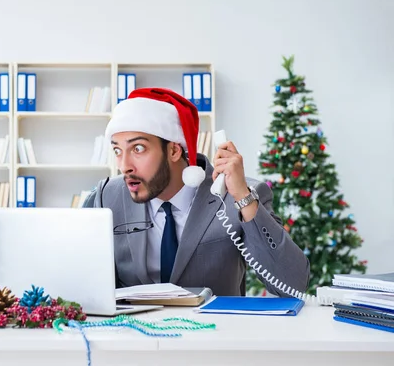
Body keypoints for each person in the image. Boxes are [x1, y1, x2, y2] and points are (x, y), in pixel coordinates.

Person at [83, 87, 310, 297]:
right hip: (136, 336)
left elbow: (293, 285)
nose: (124, 165)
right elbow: (82, 283)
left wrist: (243, 198)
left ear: (173, 150)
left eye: (138, 148)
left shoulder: (238, 194)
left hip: (213, 337)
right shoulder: (107, 196)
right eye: (117, 150)